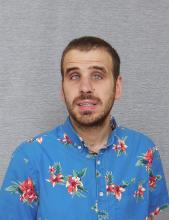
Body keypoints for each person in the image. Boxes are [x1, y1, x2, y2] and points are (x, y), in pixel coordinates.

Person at [0, 36, 168, 220]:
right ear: (62, 90)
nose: (85, 88)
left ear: (117, 87)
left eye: (97, 76)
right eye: (74, 76)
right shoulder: (29, 157)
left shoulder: (144, 152)